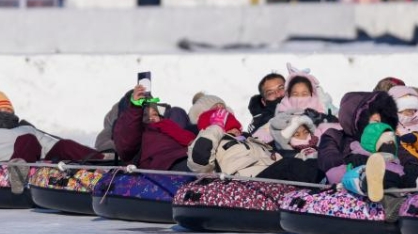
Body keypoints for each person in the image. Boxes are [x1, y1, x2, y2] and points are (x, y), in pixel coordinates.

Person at [317, 90, 418, 201]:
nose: (378, 125)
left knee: (397, 178)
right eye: (374, 121)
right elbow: (328, 159)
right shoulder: (336, 136)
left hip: (391, 178)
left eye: (381, 121)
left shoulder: (385, 136)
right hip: (350, 182)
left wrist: (412, 166)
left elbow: (404, 154)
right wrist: (351, 160)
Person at [187, 106, 321, 183]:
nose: (236, 129)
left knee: (314, 160)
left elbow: (276, 156)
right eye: (229, 126)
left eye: (236, 126)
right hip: (245, 181)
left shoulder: (252, 140)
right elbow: (200, 160)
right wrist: (215, 128)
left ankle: (332, 188)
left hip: (269, 173)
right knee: (288, 165)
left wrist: (301, 156)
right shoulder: (213, 144)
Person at [113, 84, 195, 171]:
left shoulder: (165, 125)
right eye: (145, 115)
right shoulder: (134, 133)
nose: (151, 118)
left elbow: (187, 138)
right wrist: (135, 107)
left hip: (188, 155)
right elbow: (128, 139)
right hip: (167, 164)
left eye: (155, 114)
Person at [246, 72, 286, 137]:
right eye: (270, 93)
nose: (278, 94)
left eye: (281, 88)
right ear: (263, 102)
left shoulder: (305, 105)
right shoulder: (261, 123)